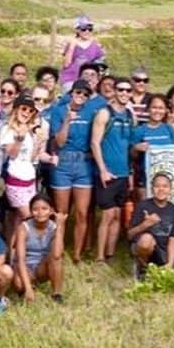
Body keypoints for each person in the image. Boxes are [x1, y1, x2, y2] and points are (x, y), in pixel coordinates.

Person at [49, 81, 98, 263]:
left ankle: (77, 253)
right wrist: (68, 121)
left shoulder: (90, 112)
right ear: (71, 92)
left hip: (84, 162)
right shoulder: (59, 111)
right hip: (64, 160)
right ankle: (58, 249)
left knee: (82, 212)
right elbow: (59, 142)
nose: (81, 96)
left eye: (86, 94)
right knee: (61, 213)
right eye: (78, 92)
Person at [91, 77, 135, 263]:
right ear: (115, 91)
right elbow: (94, 143)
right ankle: (99, 256)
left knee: (118, 214)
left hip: (124, 172)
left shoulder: (130, 116)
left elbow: (129, 147)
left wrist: (131, 173)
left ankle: (110, 253)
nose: (124, 93)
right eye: (121, 90)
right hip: (107, 172)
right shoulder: (104, 113)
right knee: (107, 214)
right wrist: (102, 170)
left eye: (127, 90)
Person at [127, 172, 174, 278]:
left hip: (162, 250)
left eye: (165, 186)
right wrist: (145, 224)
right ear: (152, 189)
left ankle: (161, 266)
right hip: (143, 249)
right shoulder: (142, 206)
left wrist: (170, 264)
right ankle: (142, 268)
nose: (161, 189)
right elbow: (129, 235)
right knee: (146, 240)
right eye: (157, 186)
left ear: (170, 190)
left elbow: (173, 239)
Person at [0, 95, 46, 230]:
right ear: (16, 109)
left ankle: (13, 249)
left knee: (19, 221)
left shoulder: (30, 131)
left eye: (31, 111)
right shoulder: (8, 130)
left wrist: (38, 142)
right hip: (16, 182)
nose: (27, 113)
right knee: (30, 218)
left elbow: (30, 159)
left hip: (30, 181)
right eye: (24, 108)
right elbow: (11, 154)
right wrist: (19, 139)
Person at [14, 194, 66, 303]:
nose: (40, 213)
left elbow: (57, 254)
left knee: (56, 259)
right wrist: (27, 289)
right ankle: (29, 286)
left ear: (51, 211)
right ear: (31, 211)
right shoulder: (23, 228)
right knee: (19, 286)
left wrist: (60, 226)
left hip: (42, 267)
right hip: (25, 267)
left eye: (44, 209)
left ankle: (57, 294)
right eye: (35, 209)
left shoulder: (53, 227)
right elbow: (20, 260)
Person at [60, 16, 104, 87]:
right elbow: (66, 64)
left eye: (90, 29)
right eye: (84, 29)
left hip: (88, 80)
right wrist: (72, 47)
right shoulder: (72, 43)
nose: (87, 31)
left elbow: (100, 62)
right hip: (70, 79)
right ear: (77, 30)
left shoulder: (95, 45)